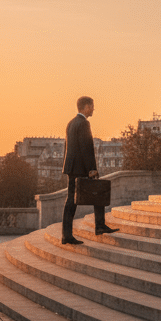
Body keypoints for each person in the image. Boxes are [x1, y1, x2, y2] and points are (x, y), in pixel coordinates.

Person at [61, 95, 119, 244]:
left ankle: (68, 234)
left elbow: (68, 147)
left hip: (72, 167)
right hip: (81, 167)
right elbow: (86, 147)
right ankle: (98, 226)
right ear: (86, 107)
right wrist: (92, 169)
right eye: (92, 106)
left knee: (71, 200)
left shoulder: (71, 123)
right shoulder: (84, 123)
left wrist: (68, 166)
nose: (93, 109)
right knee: (96, 193)